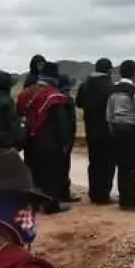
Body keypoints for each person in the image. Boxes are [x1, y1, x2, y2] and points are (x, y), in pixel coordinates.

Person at [16, 62, 73, 214]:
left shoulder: (25, 93)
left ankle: (33, 204)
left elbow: (19, 114)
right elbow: (61, 124)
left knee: (33, 171)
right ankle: (50, 205)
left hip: (29, 140)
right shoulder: (54, 96)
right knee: (50, 174)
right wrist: (65, 143)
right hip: (49, 141)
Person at [106, 59, 135, 211]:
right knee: (133, 166)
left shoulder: (113, 91)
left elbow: (109, 114)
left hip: (117, 129)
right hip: (131, 130)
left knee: (122, 165)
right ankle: (132, 202)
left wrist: (112, 129)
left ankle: (123, 200)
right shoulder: (134, 92)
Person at [58, 73, 81, 204]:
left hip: (57, 138)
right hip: (66, 138)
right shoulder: (67, 100)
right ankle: (64, 193)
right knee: (64, 166)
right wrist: (67, 141)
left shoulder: (55, 98)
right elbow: (69, 123)